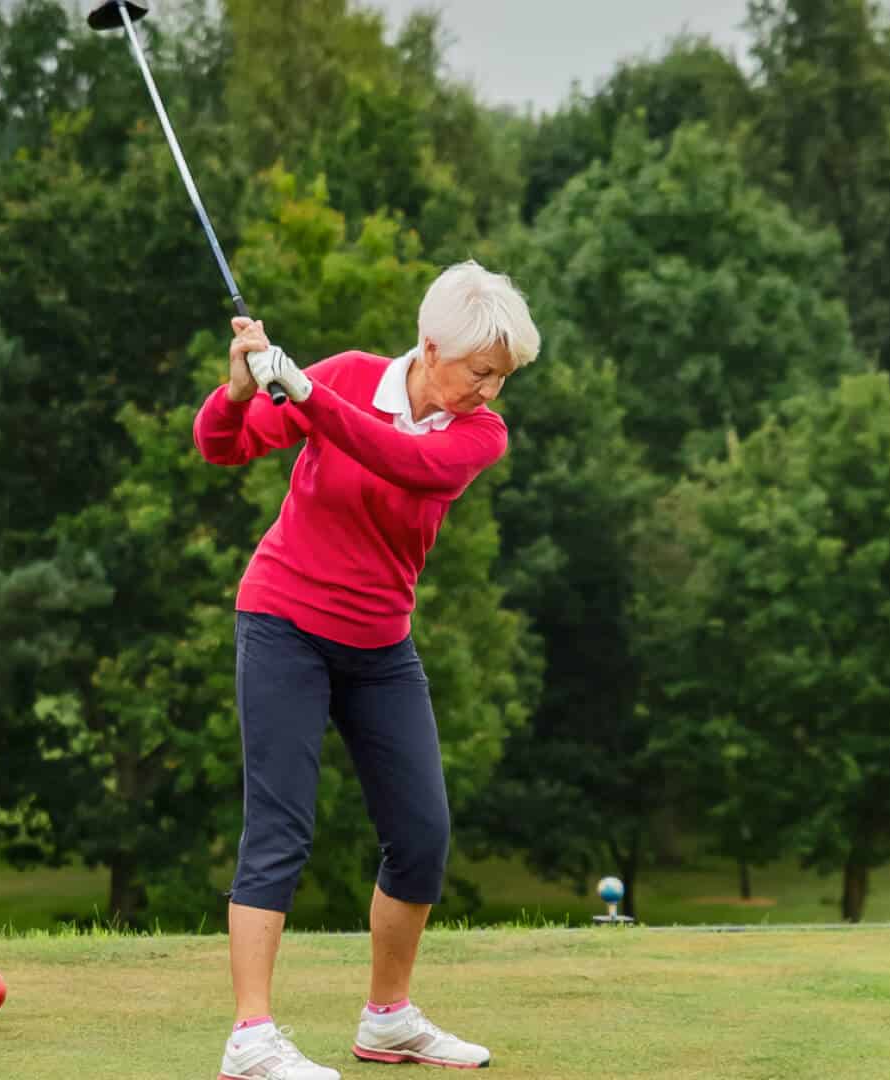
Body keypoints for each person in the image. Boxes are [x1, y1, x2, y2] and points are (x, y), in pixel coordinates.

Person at [193, 261, 539, 1079]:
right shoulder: (348, 374)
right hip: (283, 622)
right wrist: (242, 388)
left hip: (381, 643)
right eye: (481, 372)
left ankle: (387, 1019)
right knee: (279, 830)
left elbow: (400, 461)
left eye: (502, 378)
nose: (490, 391)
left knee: (422, 835)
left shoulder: (476, 434)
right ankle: (250, 1037)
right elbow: (221, 447)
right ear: (430, 347)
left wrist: (308, 397)